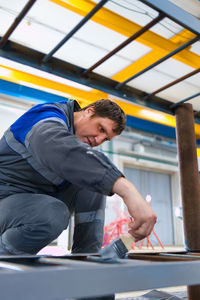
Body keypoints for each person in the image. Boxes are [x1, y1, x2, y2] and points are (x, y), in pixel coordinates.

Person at [0, 98, 157, 255]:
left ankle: (87, 256)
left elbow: (84, 165)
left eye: (106, 139)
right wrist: (127, 190)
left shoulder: (79, 152)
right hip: (4, 200)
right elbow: (56, 148)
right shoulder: (46, 116)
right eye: (101, 129)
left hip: (31, 202)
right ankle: (5, 258)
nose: (99, 140)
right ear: (89, 111)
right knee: (53, 213)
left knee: (93, 180)